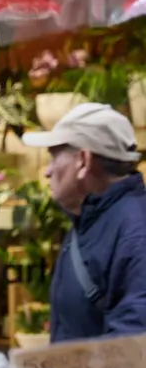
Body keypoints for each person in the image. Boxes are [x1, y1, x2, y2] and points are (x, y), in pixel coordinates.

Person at [21, 102, 146, 342]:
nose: (47, 172)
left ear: (83, 160)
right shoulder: (92, 219)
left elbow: (131, 349)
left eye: (54, 158)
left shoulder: (134, 233)